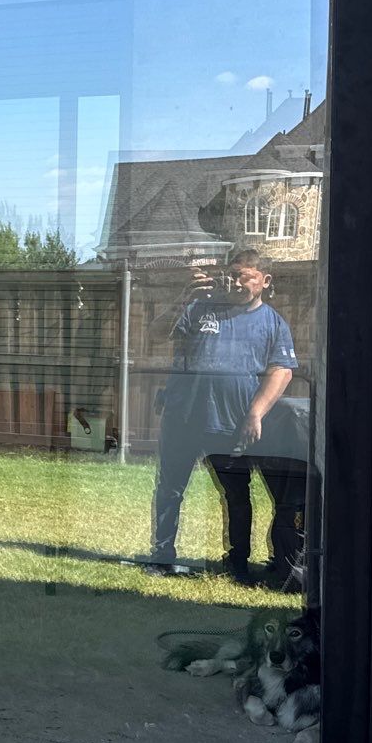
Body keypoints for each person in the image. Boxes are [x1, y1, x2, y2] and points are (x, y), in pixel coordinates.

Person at [147, 249, 304, 584]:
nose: (235, 282)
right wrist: (183, 297)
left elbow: (282, 372)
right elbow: (156, 334)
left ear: (264, 281)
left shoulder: (273, 323)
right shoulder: (201, 306)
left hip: (232, 423)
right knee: (170, 488)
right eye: (232, 274)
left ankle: (237, 563)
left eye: (244, 276)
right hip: (183, 416)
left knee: (236, 493)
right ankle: (161, 556)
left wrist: (255, 414)